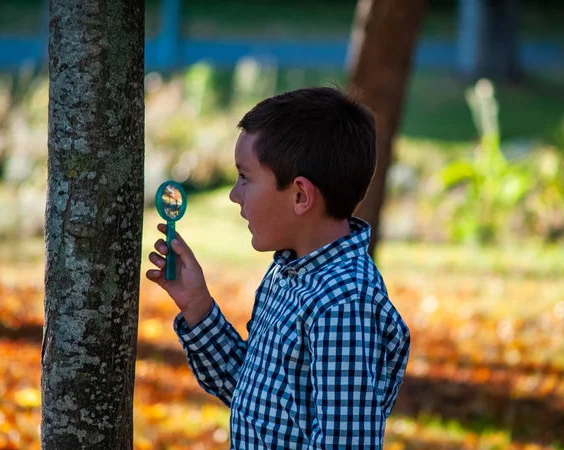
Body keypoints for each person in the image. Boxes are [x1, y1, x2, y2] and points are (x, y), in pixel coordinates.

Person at [146, 87, 410, 449]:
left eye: (245, 178)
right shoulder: (288, 274)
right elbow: (254, 393)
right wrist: (197, 305)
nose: (234, 194)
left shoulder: (344, 304)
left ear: (300, 196)